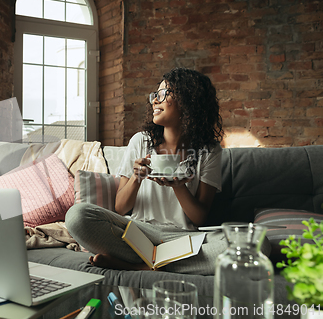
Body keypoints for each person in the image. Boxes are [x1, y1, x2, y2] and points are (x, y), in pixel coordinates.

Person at [65, 68, 269, 275]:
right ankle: (164, 262)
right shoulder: (140, 141)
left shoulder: (208, 151)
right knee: (76, 217)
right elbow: (120, 208)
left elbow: (199, 219)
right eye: (155, 95)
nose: (155, 100)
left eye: (163, 94)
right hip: (137, 232)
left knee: (258, 245)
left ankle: (138, 266)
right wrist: (136, 177)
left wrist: (179, 186)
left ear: (188, 101)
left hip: (183, 238)